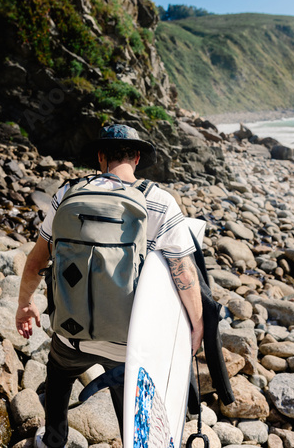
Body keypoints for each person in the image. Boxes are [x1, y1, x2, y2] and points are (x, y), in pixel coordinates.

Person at [16, 124, 204, 448]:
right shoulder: (159, 202)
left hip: (71, 335)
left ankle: (54, 439)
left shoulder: (67, 193)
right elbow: (183, 273)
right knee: (130, 408)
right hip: (127, 343)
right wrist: (197, 327)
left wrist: (24, 305)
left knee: (58, 375)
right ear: (137, 156)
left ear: (100, 157)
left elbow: (36, 262)